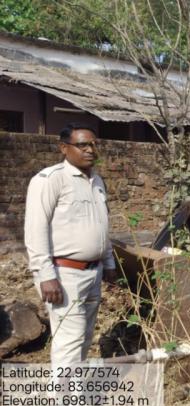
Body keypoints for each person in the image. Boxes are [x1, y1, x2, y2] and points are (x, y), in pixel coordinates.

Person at [24, 123, 117, 365]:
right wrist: (46, 275)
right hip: (64, 274)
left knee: (84, 338)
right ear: (64, 148)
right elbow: (35, 229)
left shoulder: (97, 181)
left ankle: (75, 388)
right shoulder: (50, 179)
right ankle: (63, 392)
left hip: (94, 273)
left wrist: (108, 263)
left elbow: (101, 224)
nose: (90, 150)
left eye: (94, 144)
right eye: (82, 145)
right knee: (69, 341)